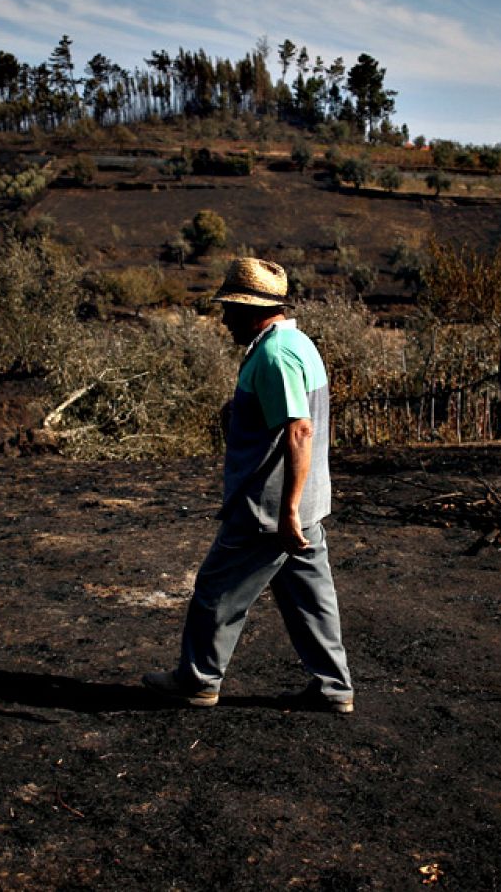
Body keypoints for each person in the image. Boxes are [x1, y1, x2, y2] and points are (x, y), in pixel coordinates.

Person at [142, 257, 354, 713]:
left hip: (269, 508)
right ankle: (334, 688)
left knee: (215, 594)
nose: (223, 318)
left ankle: (196, 681)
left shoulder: (273, 355)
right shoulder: (297, 343)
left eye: (229, 308)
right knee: (311, 600)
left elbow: (299, 429)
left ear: (250, 309)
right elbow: (286, 417)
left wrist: (287, 512)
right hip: (306, 503)